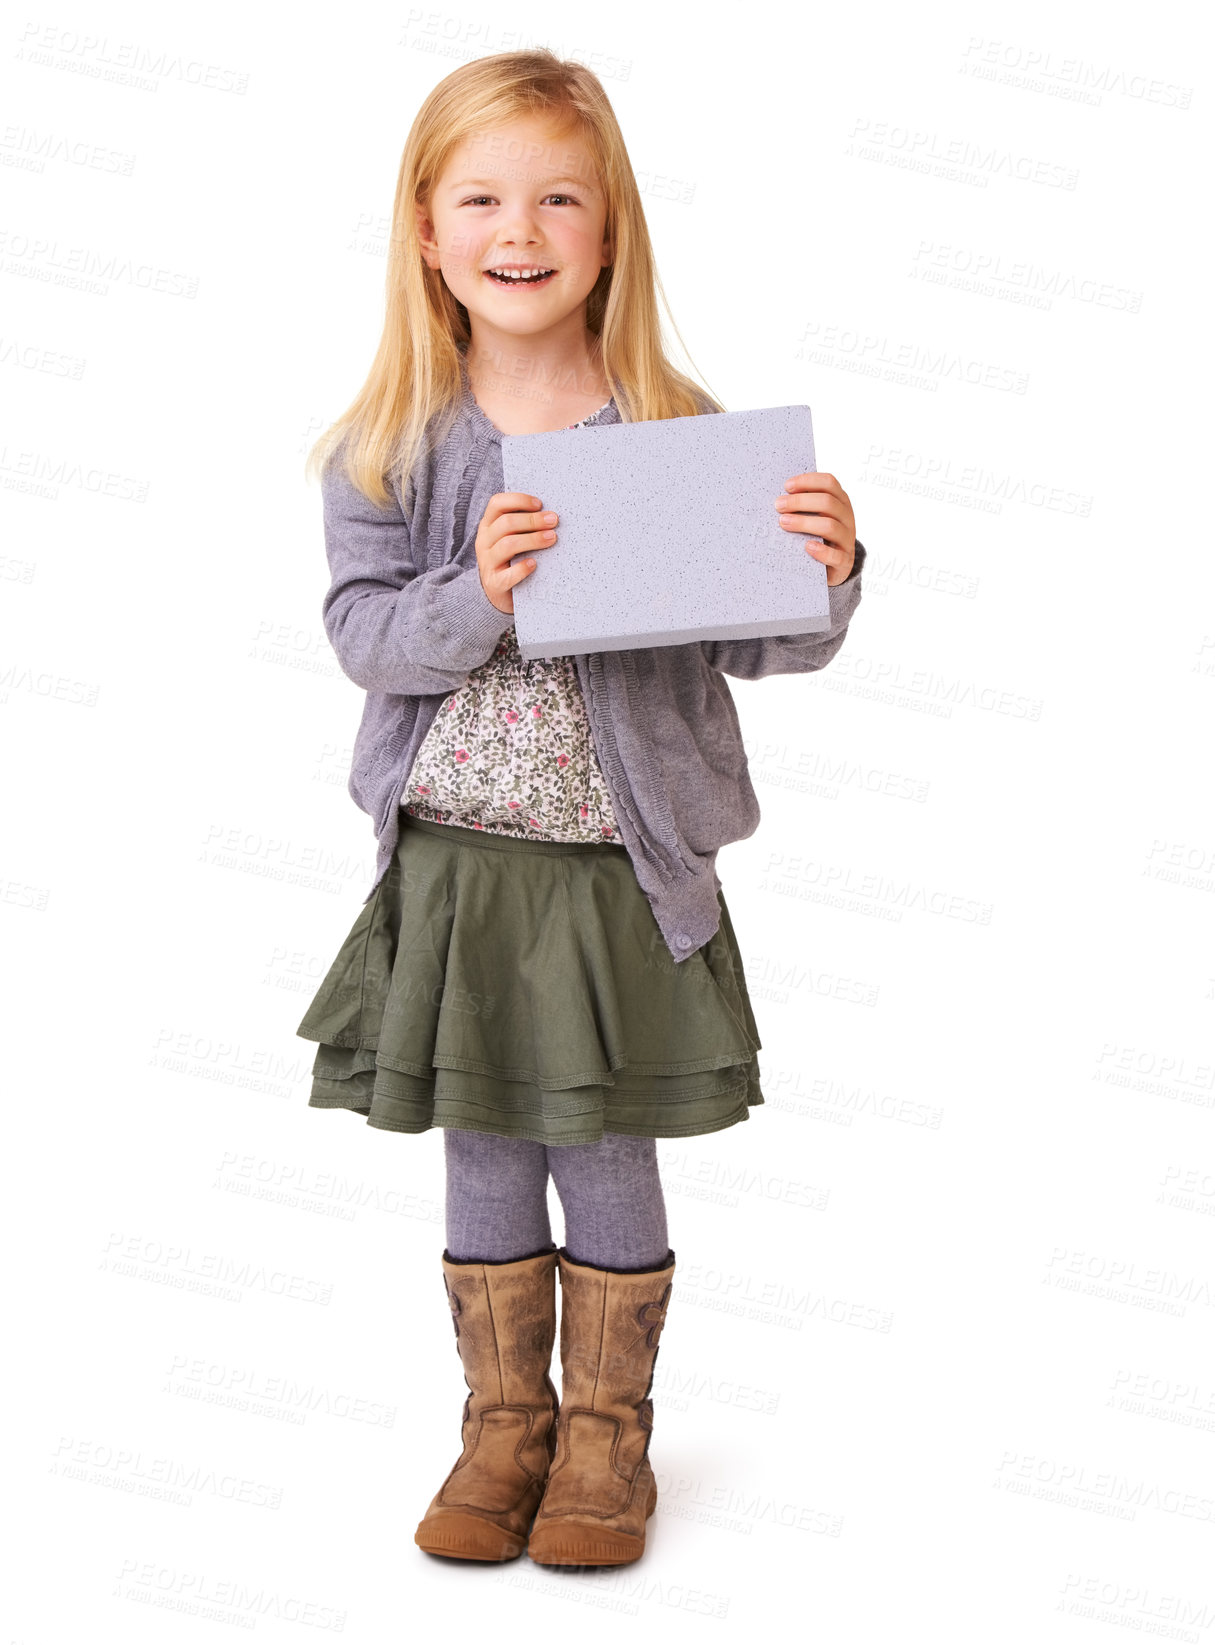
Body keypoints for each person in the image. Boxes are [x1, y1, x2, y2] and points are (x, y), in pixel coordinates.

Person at [294, 48, 867, 1570]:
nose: (519, 226)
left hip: (615, 873)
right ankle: (504, 1425)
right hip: (462, 872)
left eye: (558, 196)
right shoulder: (393, 443)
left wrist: (825, 564)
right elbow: (361, 633)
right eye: (481, 196)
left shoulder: (673, 431)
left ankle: (608, 1440)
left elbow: (770, 635)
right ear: (427, 229)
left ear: (609, 229)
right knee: (483, 1143)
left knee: (605, 1143)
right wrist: (475, 590)